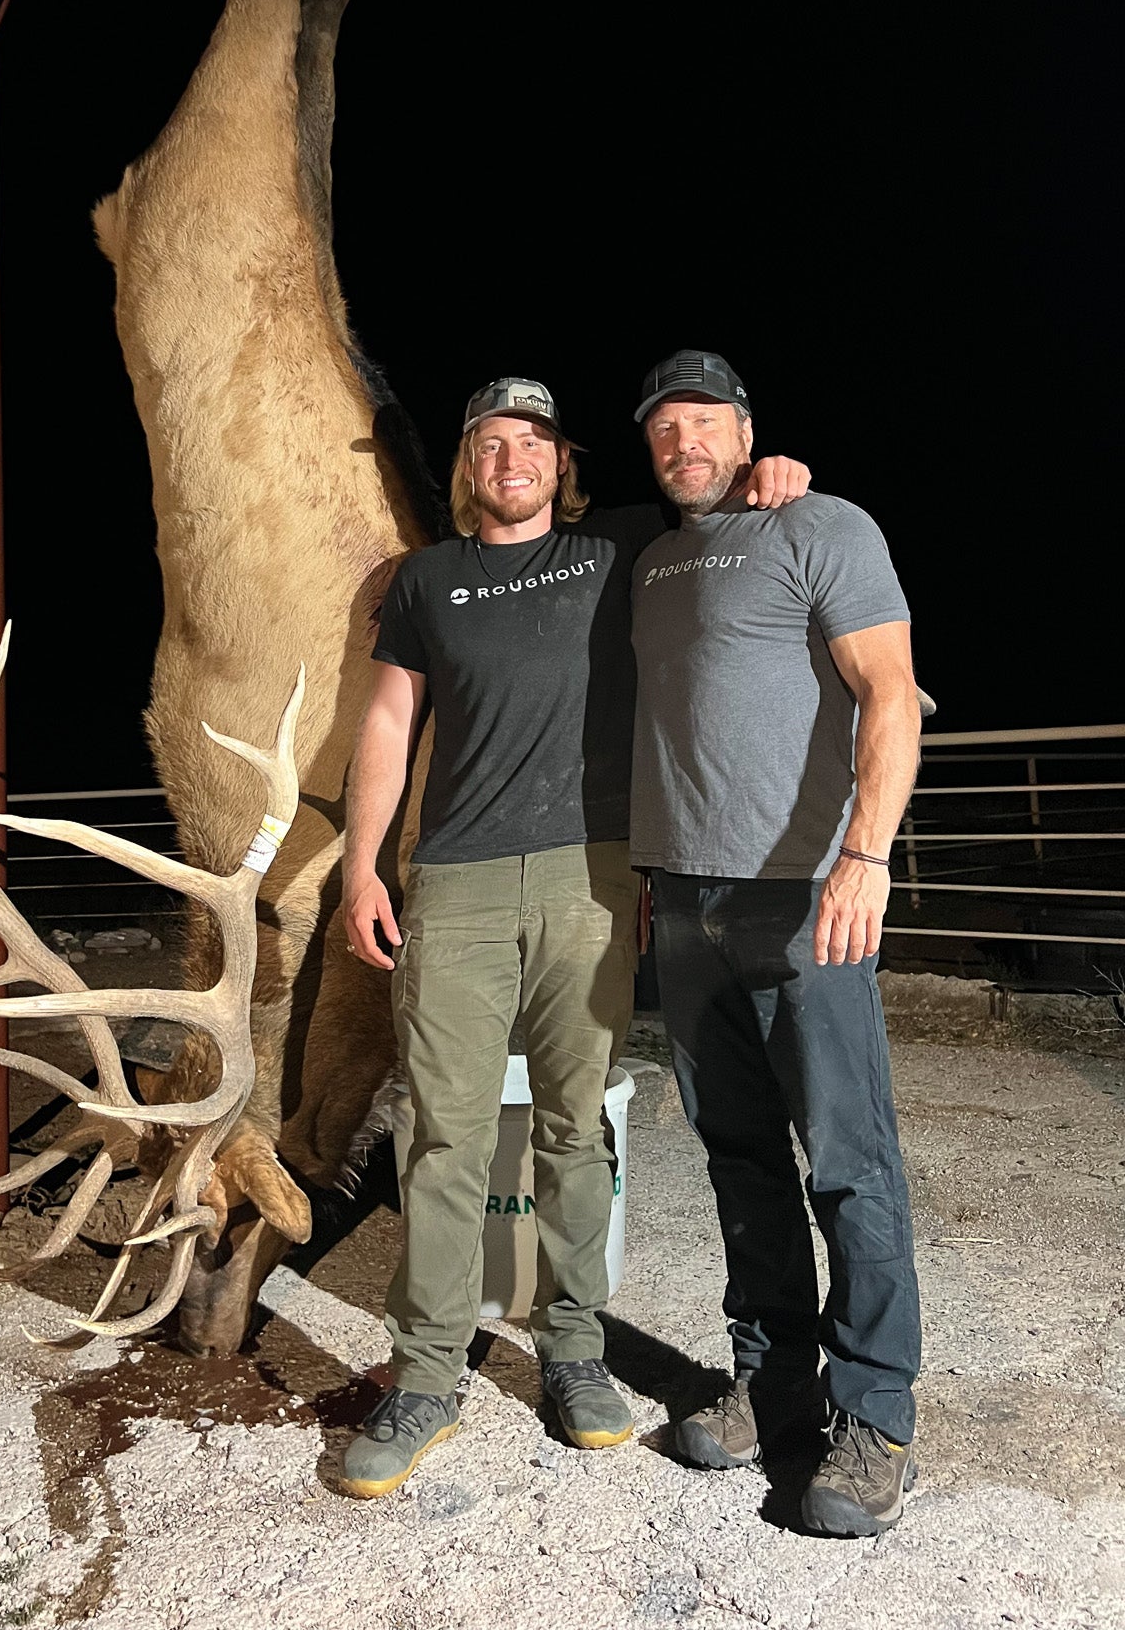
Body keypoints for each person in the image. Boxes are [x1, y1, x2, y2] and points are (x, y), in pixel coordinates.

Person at [336, 376, 810, 1498]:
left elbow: (718, 503)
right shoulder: (426, 580)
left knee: (571, 1127)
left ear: (564, 464)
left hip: (589, 876)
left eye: (534, 440)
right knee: (443, 1134)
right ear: (466, 465)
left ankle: (576, 1353)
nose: (512, 456)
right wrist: (362, 863)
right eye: (490, 440)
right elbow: (391, 720)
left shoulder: (619, 554)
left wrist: (770, 478)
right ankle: (426, 1373)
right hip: (449, 882)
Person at [629, 347, 924, 1537]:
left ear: (745, 429)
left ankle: (876, 1417)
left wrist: (866, 852)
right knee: (738, 1156)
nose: (683, 441)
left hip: (807, 891)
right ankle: (774, 1380)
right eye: (663, 427)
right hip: (685, 901)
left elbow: (892, 694)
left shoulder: (823, 523)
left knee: (849, 1157)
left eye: (704, 420)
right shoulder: (647, 559)